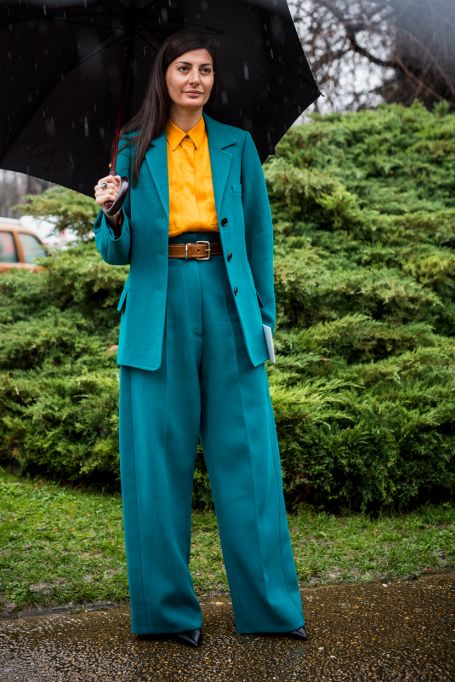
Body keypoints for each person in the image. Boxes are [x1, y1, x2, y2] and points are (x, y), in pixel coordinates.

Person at [93, 30, 307, 648]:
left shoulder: (238, 147)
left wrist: (264, 321)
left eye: (206, 70)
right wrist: (110, 210)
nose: (195, 79)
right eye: (184, 68)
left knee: (250, 458)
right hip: (156, 309)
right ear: (164, 76)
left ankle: (270, 608)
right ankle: (166, 614)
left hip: (227, 300)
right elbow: (118, 251)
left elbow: (260, 241)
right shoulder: (132, 147)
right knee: (155, 465)